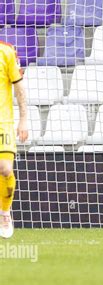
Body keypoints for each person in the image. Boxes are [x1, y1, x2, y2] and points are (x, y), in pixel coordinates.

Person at [0, 41, 28, 239]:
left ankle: (4, 213)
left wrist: (24, 119)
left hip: (3, 122)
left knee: (5, 169)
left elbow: (19, 89)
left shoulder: (6, 51)